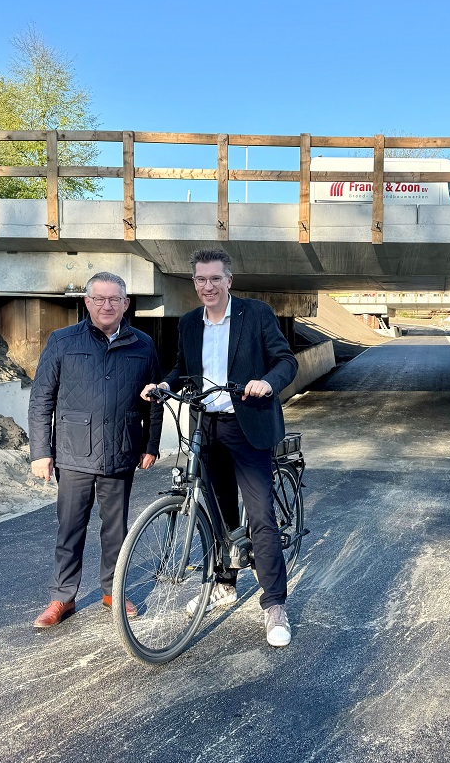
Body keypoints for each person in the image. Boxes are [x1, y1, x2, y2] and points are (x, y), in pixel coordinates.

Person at [141, 249, 298, 648]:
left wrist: (267, 383)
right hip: (205, 427)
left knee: (260, 515)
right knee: (217, 513)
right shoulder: (190, 323)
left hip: (248, 426)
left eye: (214, 279)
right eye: (200, 280)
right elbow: (181, 369)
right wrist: (165, 387)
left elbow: (286, 362)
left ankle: (275, 604)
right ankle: (224, 584)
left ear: (229, 281)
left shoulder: (256, 314)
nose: (206, 287)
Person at [29, 272, 163, 629]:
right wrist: (41, 451)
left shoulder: (143, 344)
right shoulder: (62, 341)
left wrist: (151, 444)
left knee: (116, 529)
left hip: (121, 451)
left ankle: (112, 591)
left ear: (126, 304)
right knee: (70, 528)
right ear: (87, 302)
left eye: (114, 299)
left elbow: (154, 400)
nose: (107, 305)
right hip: (73, 454)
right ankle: (62, 598)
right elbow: (42, 398)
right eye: (99, 299)